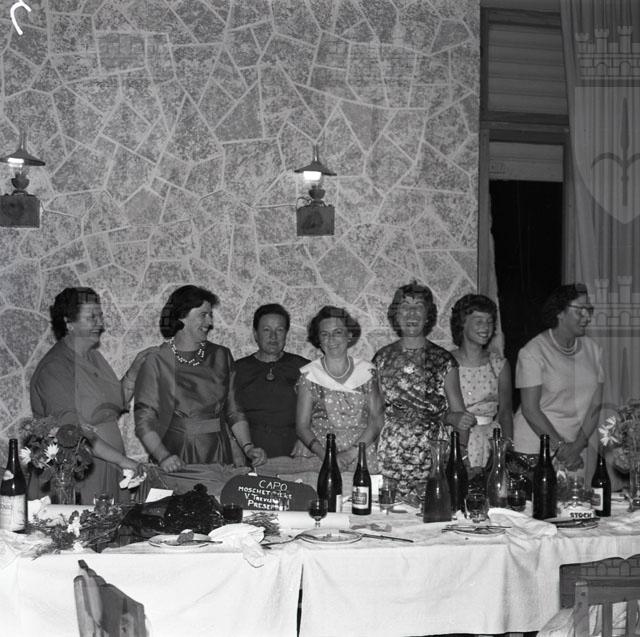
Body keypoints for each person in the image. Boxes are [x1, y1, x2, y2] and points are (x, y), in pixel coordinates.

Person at [30, 287, 146, 504]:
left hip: (108, 467)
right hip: (78, 474)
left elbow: (112, 405)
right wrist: (123, 461)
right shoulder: (55, 368)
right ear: (69, 322)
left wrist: (135, 370)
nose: (100, 323)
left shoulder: (93, 357)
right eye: (91, 317)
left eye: (100, 315)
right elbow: (70, 431)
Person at [134, 285, 266, 472]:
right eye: (203, 315)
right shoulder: (156, 360)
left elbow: (234, 410)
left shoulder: (221, 355)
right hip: (175, 455)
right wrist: (163, 456)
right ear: (182, 316)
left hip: (219, 453)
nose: (210, 322)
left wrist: (248, 447)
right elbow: (144, 420)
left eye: (210, 315)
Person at [374, 282, 475, 495]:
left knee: (431, 508)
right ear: (396, 314)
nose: (412, 313)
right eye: (405, 306)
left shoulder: (443, 360)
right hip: (390, 453)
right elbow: (376, 414)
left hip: (432, 454)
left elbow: (460, 415)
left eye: (419, 306)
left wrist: (460, 455)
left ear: (428, 315)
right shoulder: (382, 358)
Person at [513, 283, 603, 471]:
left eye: (589, 310)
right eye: (580, 310)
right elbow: (530, 409)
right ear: (560, 313)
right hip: (534, 447)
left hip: (575, 449)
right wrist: (561, 448)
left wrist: (577, 446)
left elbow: (595, 405)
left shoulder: (594, 350)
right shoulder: (532, 352)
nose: (587, 316)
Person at [295, 306, 383, 471]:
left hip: (361, 455)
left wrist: (350, 454)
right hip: (320, 457)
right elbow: (302, 426)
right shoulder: (309, 375)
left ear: (349, 335)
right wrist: (327, 456)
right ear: (318, 339)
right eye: (324, 334)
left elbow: (376, 421)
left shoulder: (367, 372)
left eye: (337, 332)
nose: (331, 339)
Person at [234, 304, 309, 458]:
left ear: (286, 334)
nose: (273, 337)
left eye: (279, 330)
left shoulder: (304, 368)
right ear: (255, 334)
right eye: (266, 330)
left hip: (294, 454)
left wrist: (307, 439)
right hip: (249, 452)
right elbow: (228, 415)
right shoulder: (237, 370)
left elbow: (321, 411)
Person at [450, 294, 513, 470]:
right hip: (455, 439)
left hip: (490, 441)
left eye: (490, 322)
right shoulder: (446, 361)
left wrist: (506, 449)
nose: (485, 327)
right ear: (462, 323)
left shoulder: (499, 364)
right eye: (479, 321)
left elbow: (505, 412)